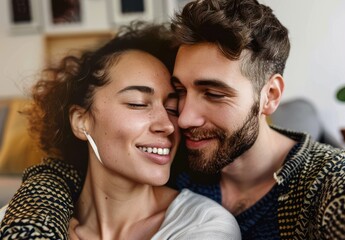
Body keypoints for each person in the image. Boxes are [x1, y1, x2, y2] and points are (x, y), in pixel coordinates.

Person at [1, 0, 345, 239]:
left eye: (214, 93)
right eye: (180, 94)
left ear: (270, 96)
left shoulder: (331, 180)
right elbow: (65, 171)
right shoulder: (178, 158)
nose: (181, 120)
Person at [0, 22, 241, 239]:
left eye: (172, 108)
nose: (167, 125)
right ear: (81, 121)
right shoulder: (17, 222)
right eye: (137, 103)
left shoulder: (206, 226)